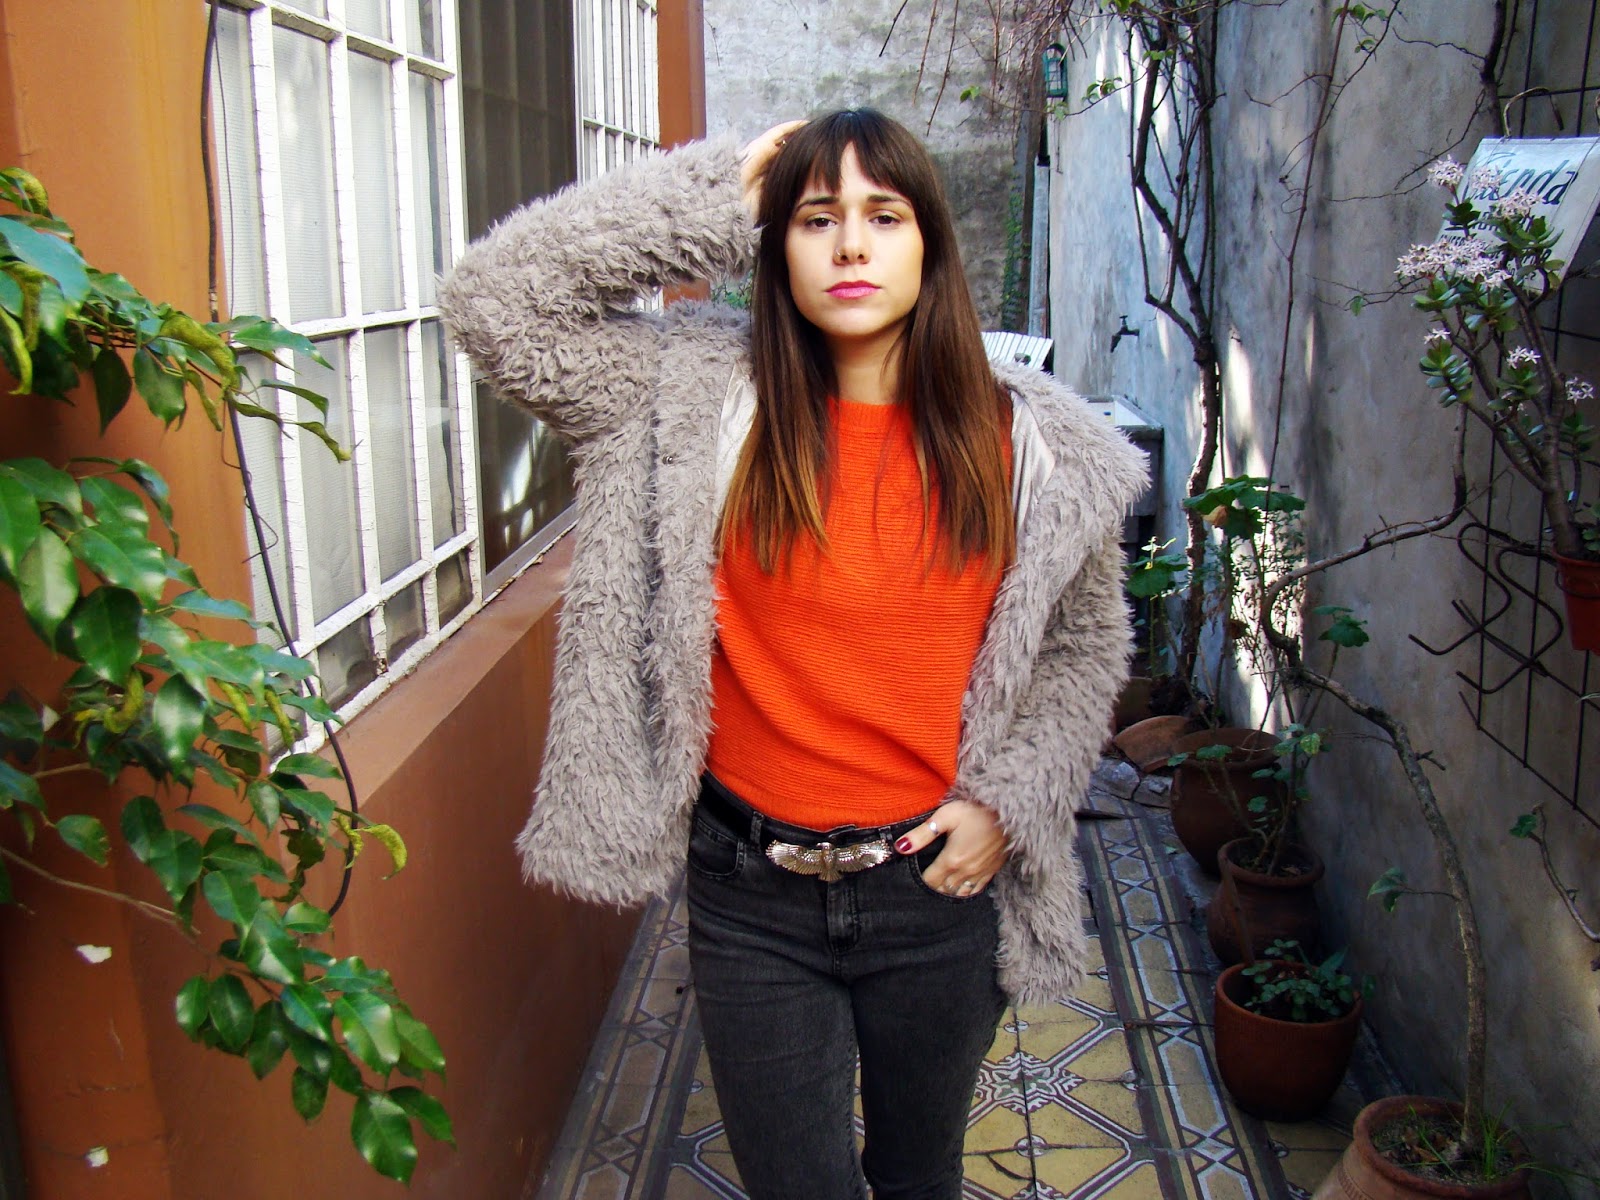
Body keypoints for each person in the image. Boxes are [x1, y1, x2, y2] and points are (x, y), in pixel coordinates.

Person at [440, 109, 1146, 1200]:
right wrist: (712, 196)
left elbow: (1082, 649)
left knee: (917, 1176)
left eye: (883, 216)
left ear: (930, 243)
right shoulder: (686, 397)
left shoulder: (1034, 445)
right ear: (775, 244)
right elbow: (496, 302)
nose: (851, 245)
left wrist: (1008, 803)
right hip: (750, 896)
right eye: (816, 218)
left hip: (936, 890)